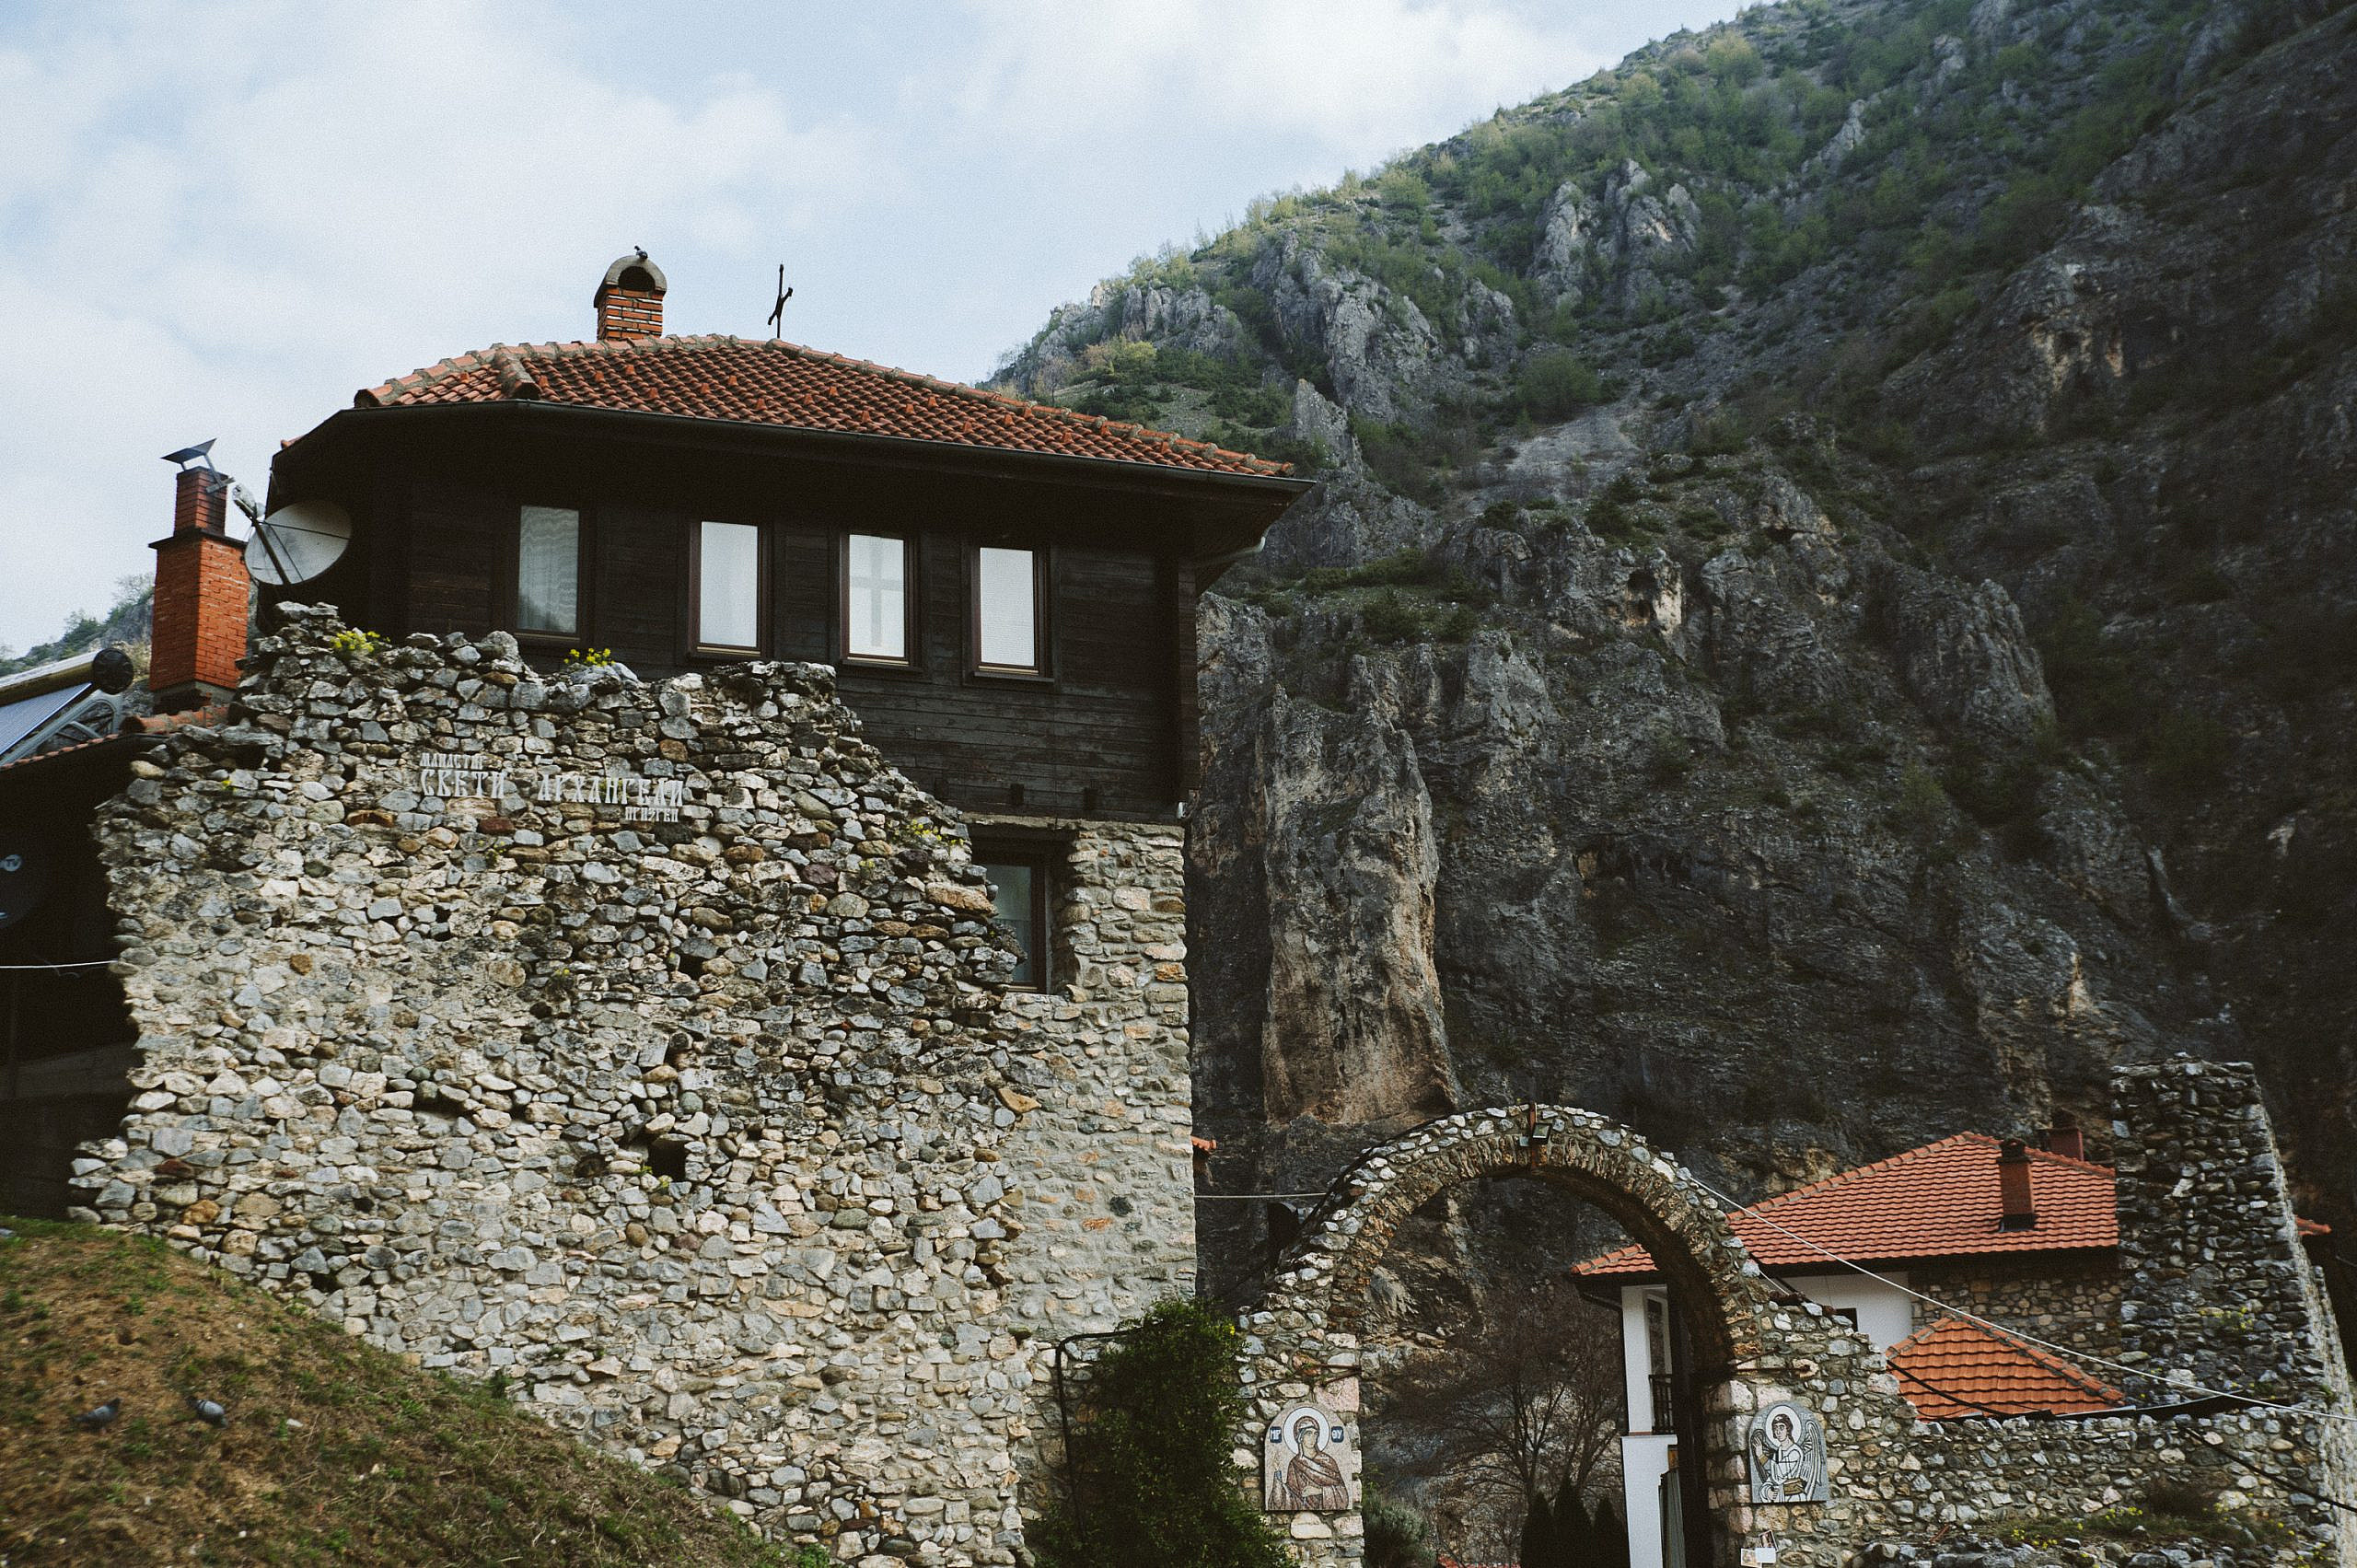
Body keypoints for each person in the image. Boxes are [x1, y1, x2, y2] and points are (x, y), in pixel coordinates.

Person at [1276, 1413, 1353, 1510]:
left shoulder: (1328, 1461)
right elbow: (1290, 1494)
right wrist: (1277, 1472)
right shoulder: (1294, 1463)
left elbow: (1343, 1494)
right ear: (1300, 1437)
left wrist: (1319, 1491)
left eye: (1315, 1434)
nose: (1313, 1438)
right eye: (1308, 1433)